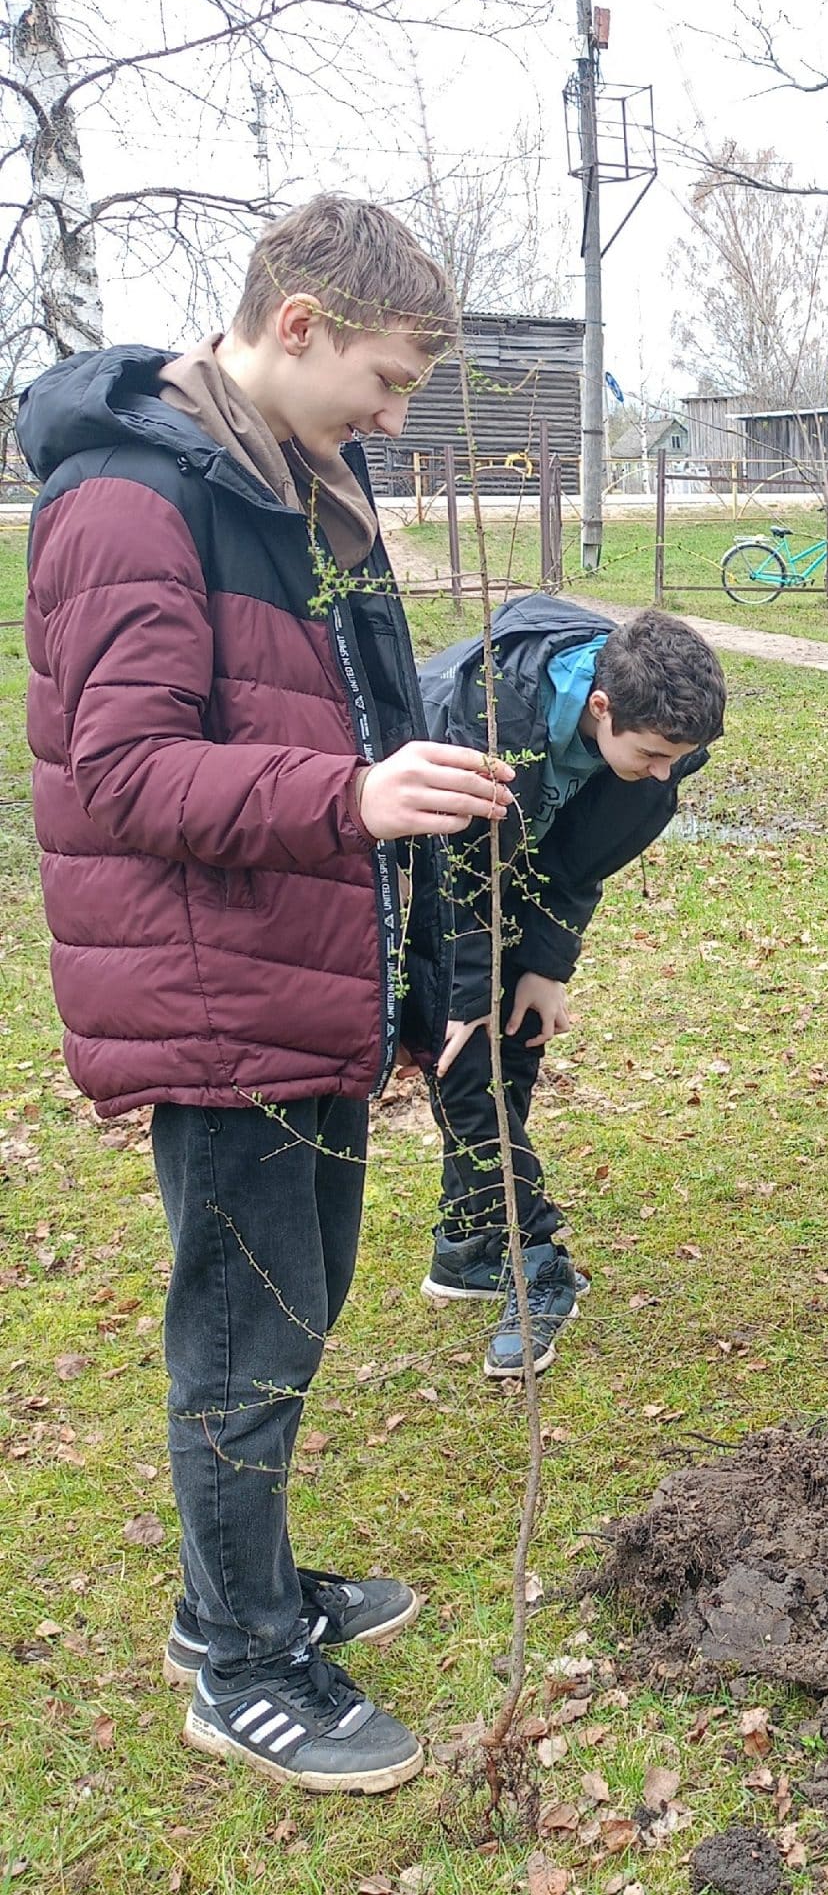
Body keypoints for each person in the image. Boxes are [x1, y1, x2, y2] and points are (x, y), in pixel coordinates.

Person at [20, 196, 512, 1790]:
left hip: (312, 980)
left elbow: (367, 726)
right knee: (242, 1343)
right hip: (213, 998)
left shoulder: (304, 482)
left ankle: (235, 1596)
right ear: (293, 325)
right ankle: (239, 1669)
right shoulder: (129, 502)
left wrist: (427, 970)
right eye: (382, 381)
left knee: (292, 1315)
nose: (393, 417)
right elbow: (129, 769)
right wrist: (352, 802)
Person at [419, 597, 723, 1378]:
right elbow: (450, 870)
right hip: (418, 863)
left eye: (677, 758)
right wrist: (460, 996)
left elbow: (585, 855)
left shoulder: (660, 738)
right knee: (465, 1059)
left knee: (515, 1036)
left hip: (517, 871)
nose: (667, 773)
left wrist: (546, 966)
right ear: (600, 707)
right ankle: (534, 1259)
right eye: (654, 754)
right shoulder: (489, 713)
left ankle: (466, 1243)